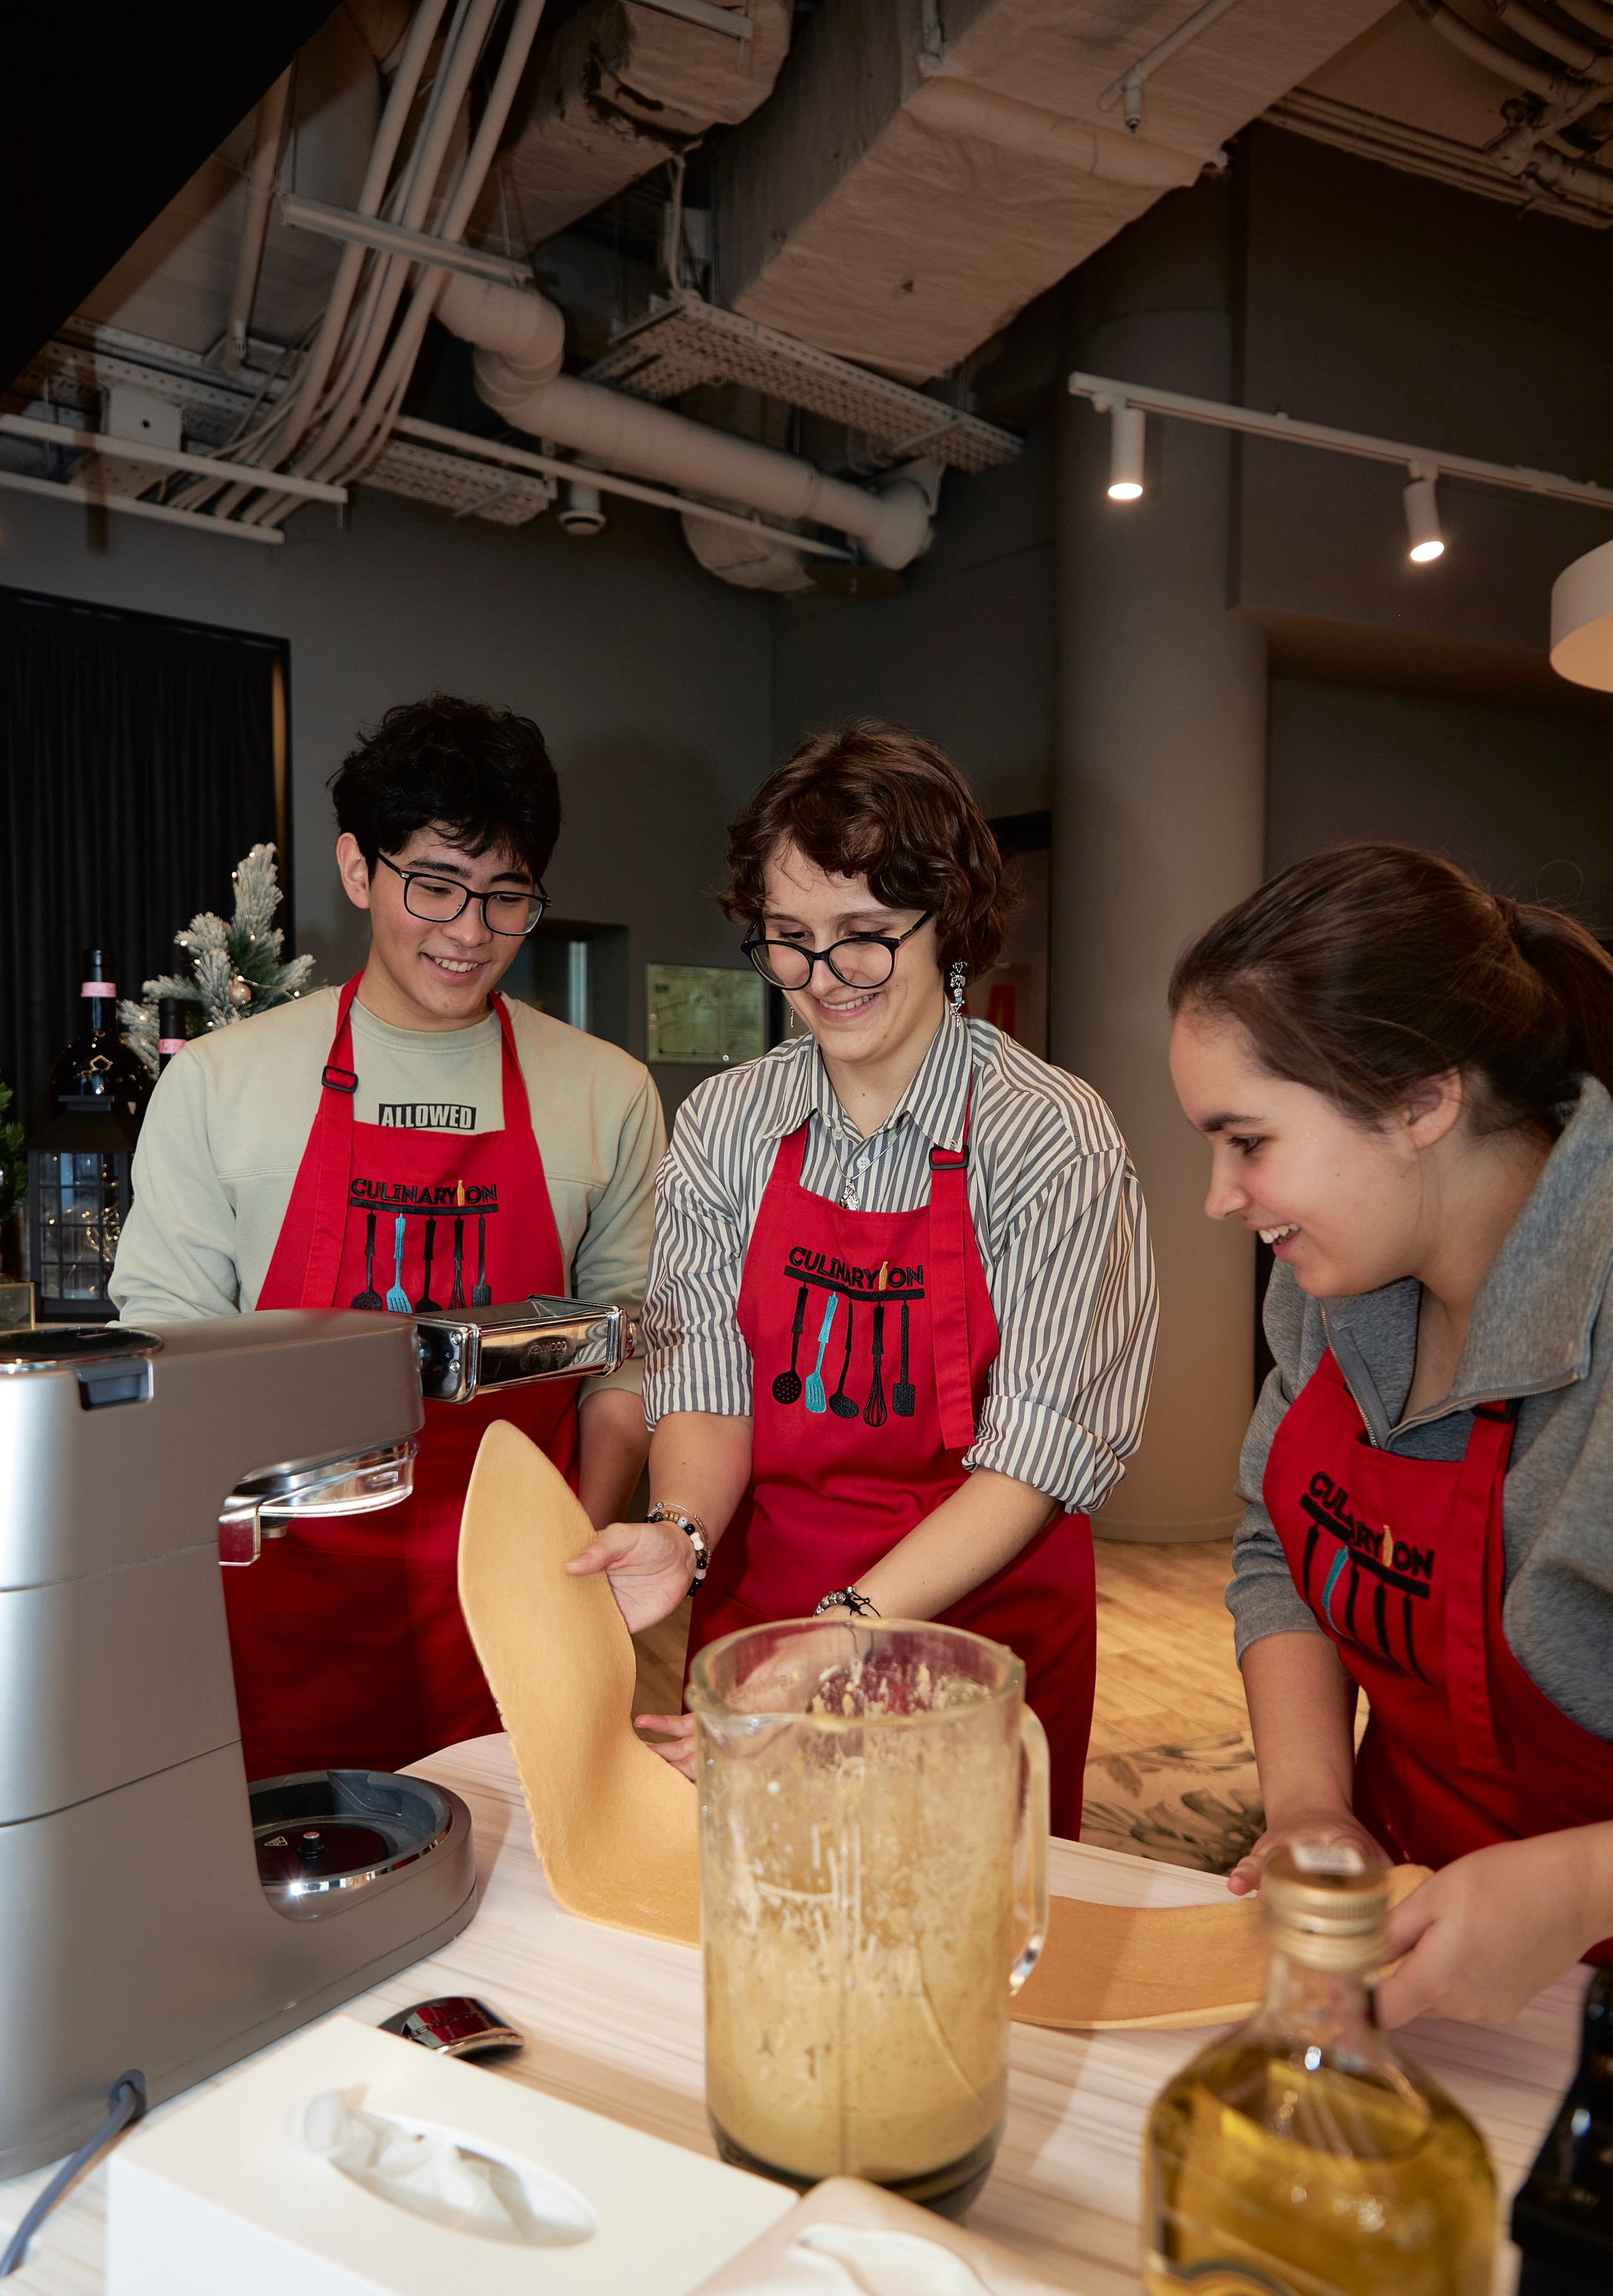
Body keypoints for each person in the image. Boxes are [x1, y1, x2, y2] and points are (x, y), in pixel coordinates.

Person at [568, 720, 1157, 1838]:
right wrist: (682, 1534)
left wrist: (844, 1638)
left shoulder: (1050, 1136)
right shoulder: (731, 1121)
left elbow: (1035, 1453)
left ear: (953, 923)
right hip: (767, 1618)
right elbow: (706, 1378)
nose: (822, 977)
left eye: (865, 936)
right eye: (788, 938)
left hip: (974, 1635)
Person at [112, 694, 664, 1780]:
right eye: (435, 886)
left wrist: (576, 1551)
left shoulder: (607, 1093)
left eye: (506, 898)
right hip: (275, 1608)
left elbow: (627, 1355)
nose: (469, 933)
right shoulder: (225, 1085)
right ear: (359, 871)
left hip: (518, 1599)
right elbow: (164, 1367)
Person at [1169, 841, 1613, 2029]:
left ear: (1421, 1099)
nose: (1221, 1198)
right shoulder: (1329, 1280)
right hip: (1401, 1933)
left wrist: (1579, 1885)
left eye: (1248, 1142)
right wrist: (1314, 1805)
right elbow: (1282, 1546)